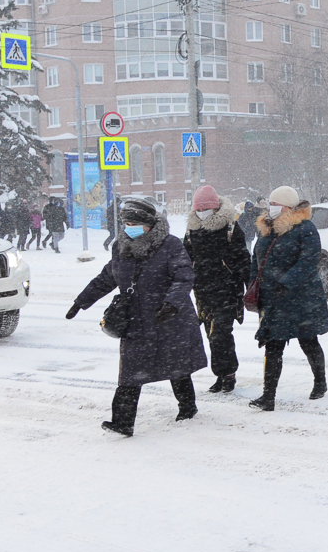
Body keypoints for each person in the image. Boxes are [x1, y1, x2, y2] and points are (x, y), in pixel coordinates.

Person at [66, 197, 207, 437]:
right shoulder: (121, 247)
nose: (127, 227)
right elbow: (108, 277)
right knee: (131, 372)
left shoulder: (170, 245)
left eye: (133, 223)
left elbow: (184, 276)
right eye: (125, 223)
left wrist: (171, 303)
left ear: (149, 224)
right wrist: (82, 300)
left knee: (177, 365)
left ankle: (187, 407)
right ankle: (122, 422)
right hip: (135, 319)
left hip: (168, 318)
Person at [247, 186, 328, 411]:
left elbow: (309, 260)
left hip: (301, 298)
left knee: (308, 341)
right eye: (269, 204)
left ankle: (320, 382)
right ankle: (268, 396)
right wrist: (253, 283)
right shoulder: (266, 228)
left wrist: (287, 282)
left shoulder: (305, 228)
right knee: (273, 346)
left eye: (274, 204)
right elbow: (256, 259)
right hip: (273, 299)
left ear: (286, 206)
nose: (270, 208)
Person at [183, 185, 253, 394]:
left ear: (214, 209)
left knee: (220, 334)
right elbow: (185, 260)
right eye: (198, 209)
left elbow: (243, 261)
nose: (201, 213)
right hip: (203, 292)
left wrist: (250, 288)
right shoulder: (192, 230)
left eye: (205, 209)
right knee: (209, 334)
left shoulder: (231, 228)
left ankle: (228, 374)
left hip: (227, 291)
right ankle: (220, 374)